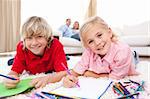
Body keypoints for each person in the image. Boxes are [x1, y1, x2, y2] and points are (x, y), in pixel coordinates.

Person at [63, 16, 138, 88]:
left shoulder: (122, 52)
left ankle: (134, 54)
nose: (97, 43)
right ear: (87, 46)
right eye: (91, 41)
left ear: (109, 32)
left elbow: (115, 77)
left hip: (130, 57)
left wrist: (94, 75)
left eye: (99, 35)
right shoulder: (89, 51)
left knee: (133, 58)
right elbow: (79, 68)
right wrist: (68, 78)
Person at [3, 16, 68, 89]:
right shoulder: (21, 47)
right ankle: (13, 60)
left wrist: (48, 79)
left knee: (64, 58)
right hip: (26, 61)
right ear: (24, 40)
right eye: (29, 38)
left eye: (39, 36)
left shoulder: (56, 45)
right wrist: (10, 78)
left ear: (48, 38)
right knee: (12, 62)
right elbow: (14, 72)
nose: (34, 43)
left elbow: (64, 72)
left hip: (49, 66)